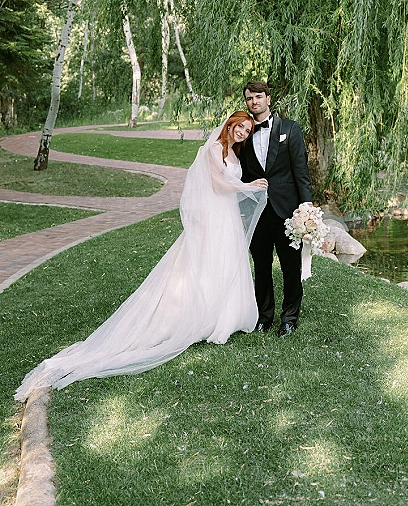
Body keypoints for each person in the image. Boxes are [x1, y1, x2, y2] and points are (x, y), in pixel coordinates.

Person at [14, 112, 268, 401]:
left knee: (226, 265)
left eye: (247, 131)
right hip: (214, 218)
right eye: (240, 128)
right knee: (205, 265)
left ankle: (226, 318)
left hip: (227, 217)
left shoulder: (235, 155)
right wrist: (247, 187)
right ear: (230, 124)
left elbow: (227, 186)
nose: (243, 134)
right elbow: (217, 186)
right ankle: (203, 319)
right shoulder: (211, 150)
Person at [239, 81, 313, 338]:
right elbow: (239, 173)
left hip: (287, 211)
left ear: (268, 99)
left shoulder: (290, 129)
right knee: (261, 265)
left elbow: (301, 172)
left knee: (291, 266)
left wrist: (307, 209)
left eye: (258, 97)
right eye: (249, 99)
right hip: (257, 211)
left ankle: (290, 318)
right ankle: (264, 316)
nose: (254, 102)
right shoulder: (243, 134)